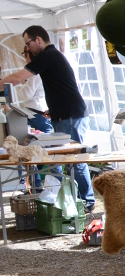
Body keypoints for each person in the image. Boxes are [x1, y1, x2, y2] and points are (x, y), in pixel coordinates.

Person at [1, 26, 95, 211]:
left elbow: (18, 77)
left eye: (28, 43)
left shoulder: (47, 55)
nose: (28, 48)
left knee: (74, 159)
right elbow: (62, 85)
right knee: (67, 160)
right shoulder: (52, 56)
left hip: (70, 115)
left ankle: (87, 201)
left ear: (38, 39)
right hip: (65, 113)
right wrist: (54, 109)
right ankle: (74, 200)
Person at [9, 43, 52, 190]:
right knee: (37, 153)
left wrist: (23, 82)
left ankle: (38, 186)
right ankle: (36, 186)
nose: (24, 57)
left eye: (25, 54)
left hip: (36, 114)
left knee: (35, 152)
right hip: (37, 113)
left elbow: (27, 93)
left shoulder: (34, 73)